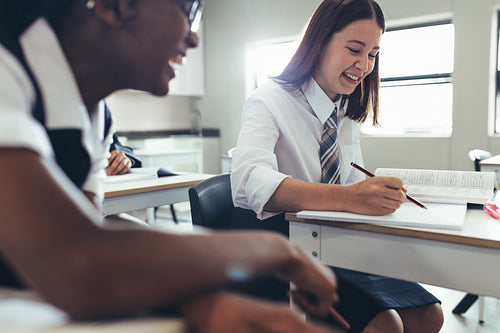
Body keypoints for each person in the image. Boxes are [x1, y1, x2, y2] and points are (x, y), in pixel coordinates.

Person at [0, 1, 342, 332]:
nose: (193, 38)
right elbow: (76, 262)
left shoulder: (96, 118)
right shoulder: (7, 70)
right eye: (188, 11)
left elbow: (91, 237)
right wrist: (278, 251)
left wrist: (199, 303)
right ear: (115, 6)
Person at [231, 0, 444, 332]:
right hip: (295, 247)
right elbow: (246, 180)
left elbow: (349, 179)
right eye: (354, 50)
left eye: (372, 54)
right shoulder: (268, 99)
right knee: (386, 326)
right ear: (320, 41)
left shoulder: (345, 110)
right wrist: (350, 197)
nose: (363, 65)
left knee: (430, 315)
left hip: (340, 243)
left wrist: (371, 196)